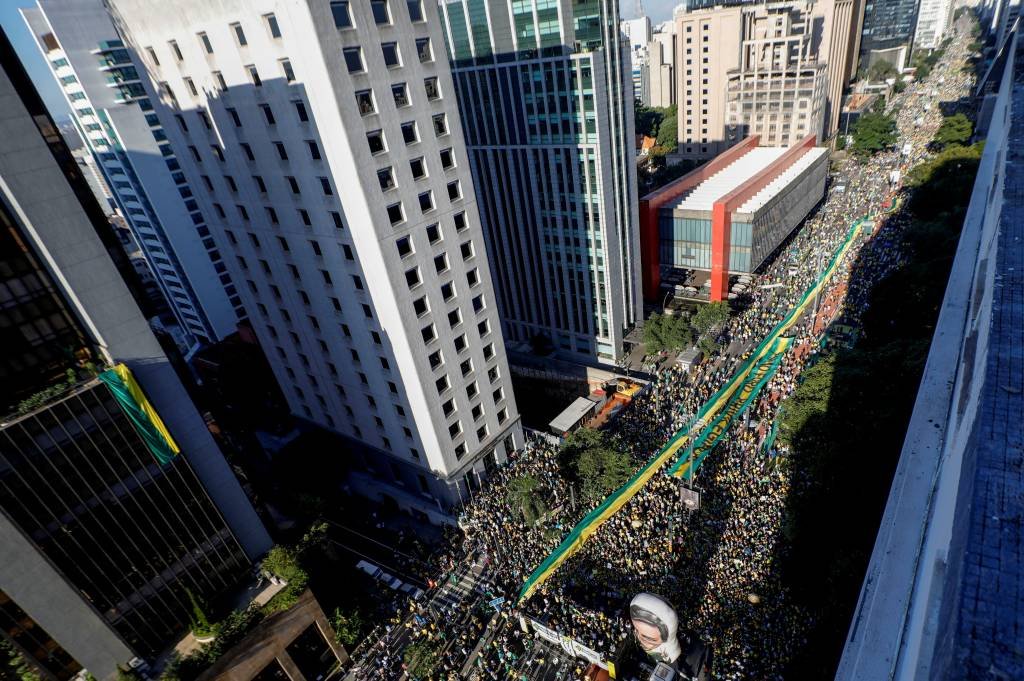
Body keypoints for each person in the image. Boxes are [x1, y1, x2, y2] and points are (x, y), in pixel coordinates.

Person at [629, 593, 683, 664]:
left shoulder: (668, 654)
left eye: (648, 638)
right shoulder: (651, 648)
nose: (639, 637)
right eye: (636, 629)